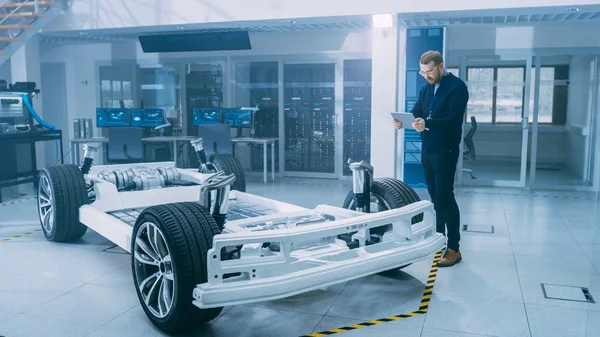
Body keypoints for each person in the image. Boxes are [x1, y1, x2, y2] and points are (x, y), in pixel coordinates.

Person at [393, 50, 469, 267]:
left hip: (446, 150)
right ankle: (439, 237)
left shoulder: (457, 87)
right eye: (423, 72)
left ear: (441, 66)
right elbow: (417, 112)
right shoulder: (426, 89)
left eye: (429, 71)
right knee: (435, 197)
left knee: (446, 197)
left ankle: (454, 248)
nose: (426, 75)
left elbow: (453, 119)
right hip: (428, 150)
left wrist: (428, 123)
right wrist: (403, 121)